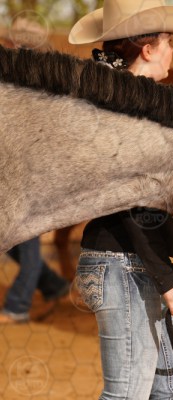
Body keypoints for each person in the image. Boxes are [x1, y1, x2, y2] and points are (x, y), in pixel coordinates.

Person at [68, 1, 173, 398]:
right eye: (169, 41)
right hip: (123, 265)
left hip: (133, 265)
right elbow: (129, 203)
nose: (172, 50)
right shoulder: (125, 108)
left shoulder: (128, 101)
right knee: (127, 394)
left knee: (168, 391)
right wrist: (168, 280)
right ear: (148, 49)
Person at [0, 18, 70, 325]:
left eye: (9, 43)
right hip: (17, 173)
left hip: (31, 177)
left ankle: (17, 306)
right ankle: (53, 285)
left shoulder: (37, 86)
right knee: (12, 239)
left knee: (25, 240)